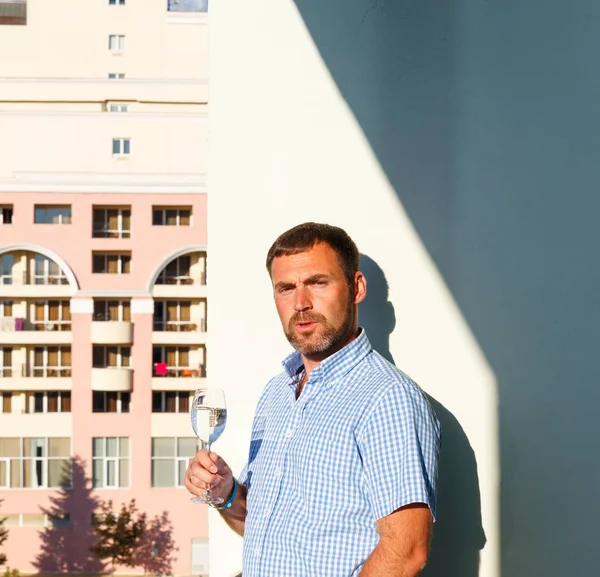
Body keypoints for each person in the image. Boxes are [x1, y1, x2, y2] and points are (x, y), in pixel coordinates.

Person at [185, 222, 441, 576]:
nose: (301, 303)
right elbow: (266, 530)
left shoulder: (387, 398)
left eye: (317, 283)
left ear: (356, 288)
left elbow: (407, 551)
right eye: (286, 288)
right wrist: (226, 494)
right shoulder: (277, 393)